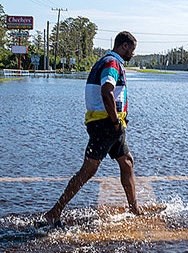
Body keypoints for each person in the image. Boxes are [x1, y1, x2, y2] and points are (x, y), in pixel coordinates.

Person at [43, 31, 138, 226]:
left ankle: (134, 208)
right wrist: (114, 122)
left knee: (127, 162)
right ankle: (55, 212)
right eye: (132, 49)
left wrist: (117, 123)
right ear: (124, 46)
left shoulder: (106, 60)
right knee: (88, 170)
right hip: (106, 124)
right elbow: (107, 91)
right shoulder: (112, 63)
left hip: (111, 124)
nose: (133, 54)